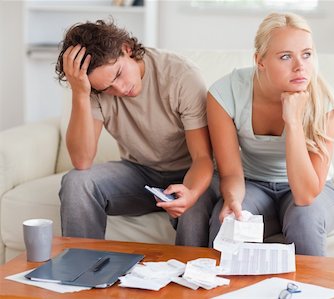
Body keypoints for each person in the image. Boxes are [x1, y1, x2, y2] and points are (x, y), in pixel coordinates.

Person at [55, 19, 216, 247]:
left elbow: (202, 158)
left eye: (119, 74)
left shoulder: (180, 75)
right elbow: (82, 161)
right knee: (77, 182)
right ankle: (83, 271)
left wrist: (189, 193)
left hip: (189, 172)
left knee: (195, 205)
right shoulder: (93, 89)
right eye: (108, 87)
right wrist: (80, 93)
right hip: (141, 174)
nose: (120, 89)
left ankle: (187, 279)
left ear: (126, 49)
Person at [207, 12, 334, 255]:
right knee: (228, 226)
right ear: (260, 61)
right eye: (285, 57)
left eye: (307, 54)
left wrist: (293, 121)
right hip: (252, 185)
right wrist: (233, 200)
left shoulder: (325, 101)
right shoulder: (226, 92)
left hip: (313, 189)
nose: (300, 66)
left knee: (304, 220)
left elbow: (305, 195)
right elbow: (230, 172)